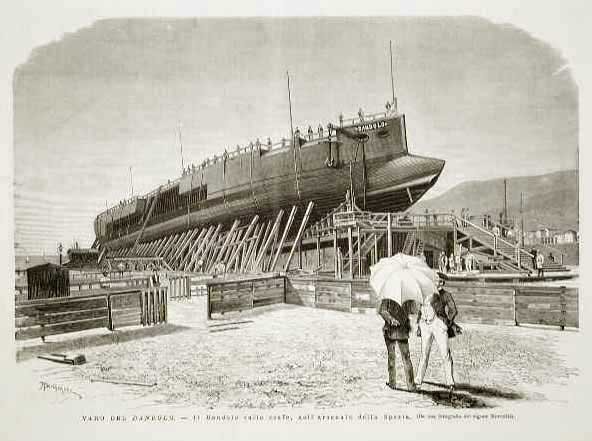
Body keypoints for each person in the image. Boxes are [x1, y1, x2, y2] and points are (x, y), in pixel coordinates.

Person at [416, 277, 460, 394]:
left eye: (438, 281)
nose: (435, 282)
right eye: (434, 280)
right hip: (425, 325)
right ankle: (418, 380)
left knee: (445, 354)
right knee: (424, 353)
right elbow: (420, 309)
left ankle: (450, 382)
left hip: (438, 325)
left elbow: (453, 310)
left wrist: (446, 323)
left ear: (441, 283)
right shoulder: (425, 293)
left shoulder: (445, 295)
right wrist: (420, 323)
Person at [377, 297, 416, 391]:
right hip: (399, 331)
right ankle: (409, 385)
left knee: (393, 357)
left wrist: (391, 319)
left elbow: (382, 311)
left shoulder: (388, 296)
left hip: (393, 331)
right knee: (404, 357)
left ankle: (393, 383)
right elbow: (413, 310)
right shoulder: (407, 296)